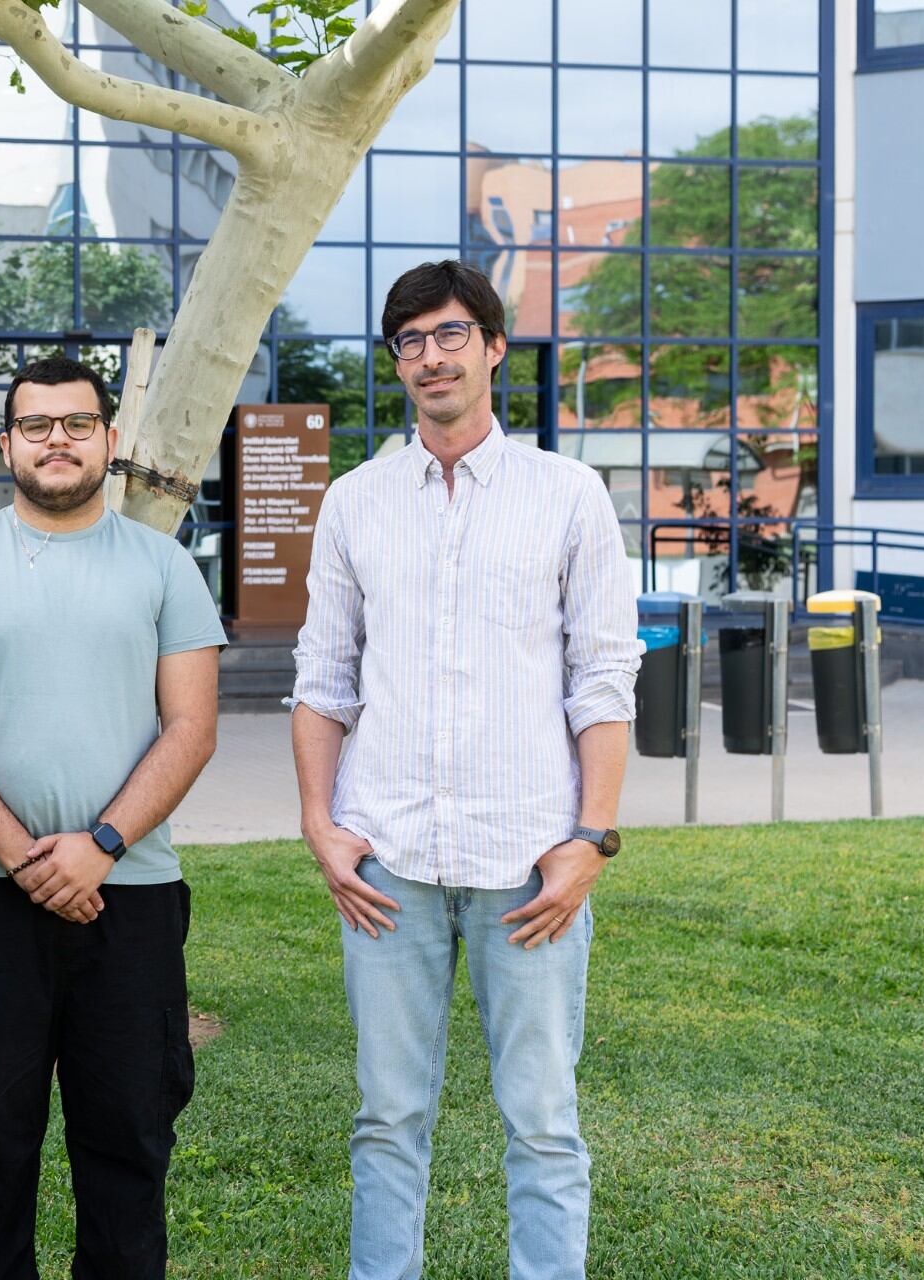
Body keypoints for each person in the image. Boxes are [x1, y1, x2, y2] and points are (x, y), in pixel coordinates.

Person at [289, 261, 641, 1280]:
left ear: (493, 345)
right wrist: (321, 820)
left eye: (449, 334)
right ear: (396, 363)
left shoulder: (568, 495)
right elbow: (325, 675)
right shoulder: (356, 502)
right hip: (386, 859)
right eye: (409, 340)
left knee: (541, 1117)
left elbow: (603, 678)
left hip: (528, 858)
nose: (430, 355)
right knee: (387, 1115)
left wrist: (591, 837)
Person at [0, 356, 226, 1280]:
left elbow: (191, 730)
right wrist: (29, 861)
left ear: (110, 442)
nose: (57, 442)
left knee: (126, 1146)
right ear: (7, 446)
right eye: (36, 426)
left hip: (134, 900)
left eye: (77, 424)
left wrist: (103, 847)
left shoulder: (163, 567)